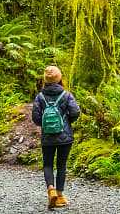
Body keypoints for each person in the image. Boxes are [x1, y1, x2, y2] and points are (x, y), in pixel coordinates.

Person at [31, 66, 81, 209]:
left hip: (47, 137)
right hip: (65, 137)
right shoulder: (66, 95)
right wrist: (67, 122)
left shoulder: (40, 97)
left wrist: (46, 126)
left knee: (47, 164)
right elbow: (75, 112)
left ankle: (50, 189)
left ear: (45, 80)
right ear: (59, 78)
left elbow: (35, 118)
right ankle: (59, 195)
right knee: (61, 165)